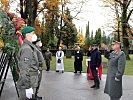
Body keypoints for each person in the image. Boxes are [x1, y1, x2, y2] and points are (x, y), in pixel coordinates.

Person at [17, 26, 42, 100]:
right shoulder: (27, 49)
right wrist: (27, 87)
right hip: (29, 81)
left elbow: (32, 63)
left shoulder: (30, 47)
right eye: (33, 33)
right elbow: (24, 70)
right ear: (27, 35)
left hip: (32, 79)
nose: (34, 35)